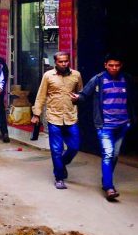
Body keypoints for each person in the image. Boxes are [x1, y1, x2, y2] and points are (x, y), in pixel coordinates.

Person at [72, 54, 136, 201]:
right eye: (111, 65)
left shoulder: (126, 79)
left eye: (117, 65)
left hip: (122, 125)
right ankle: (109, 187)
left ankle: (106, 179)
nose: (114, 68)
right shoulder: (98, 79)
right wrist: (76, 98)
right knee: (108, 154)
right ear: (105, 65)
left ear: (121, 66)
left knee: (114, 155)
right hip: (104, 125)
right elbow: (84, 95)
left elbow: (133, 99)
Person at [31, 52, 83, 190]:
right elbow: (41, 95)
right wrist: (36, 114)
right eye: (61, 62)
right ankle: (59, 177)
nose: (64, 64)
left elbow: (81, 93)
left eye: (66, 61)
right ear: (55, 62)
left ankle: (62, 163)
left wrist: (78, 98)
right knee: (56, 149)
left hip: (71, 117)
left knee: (74, 147)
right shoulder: (48, 76)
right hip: (54, 117)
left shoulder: (76, 75)